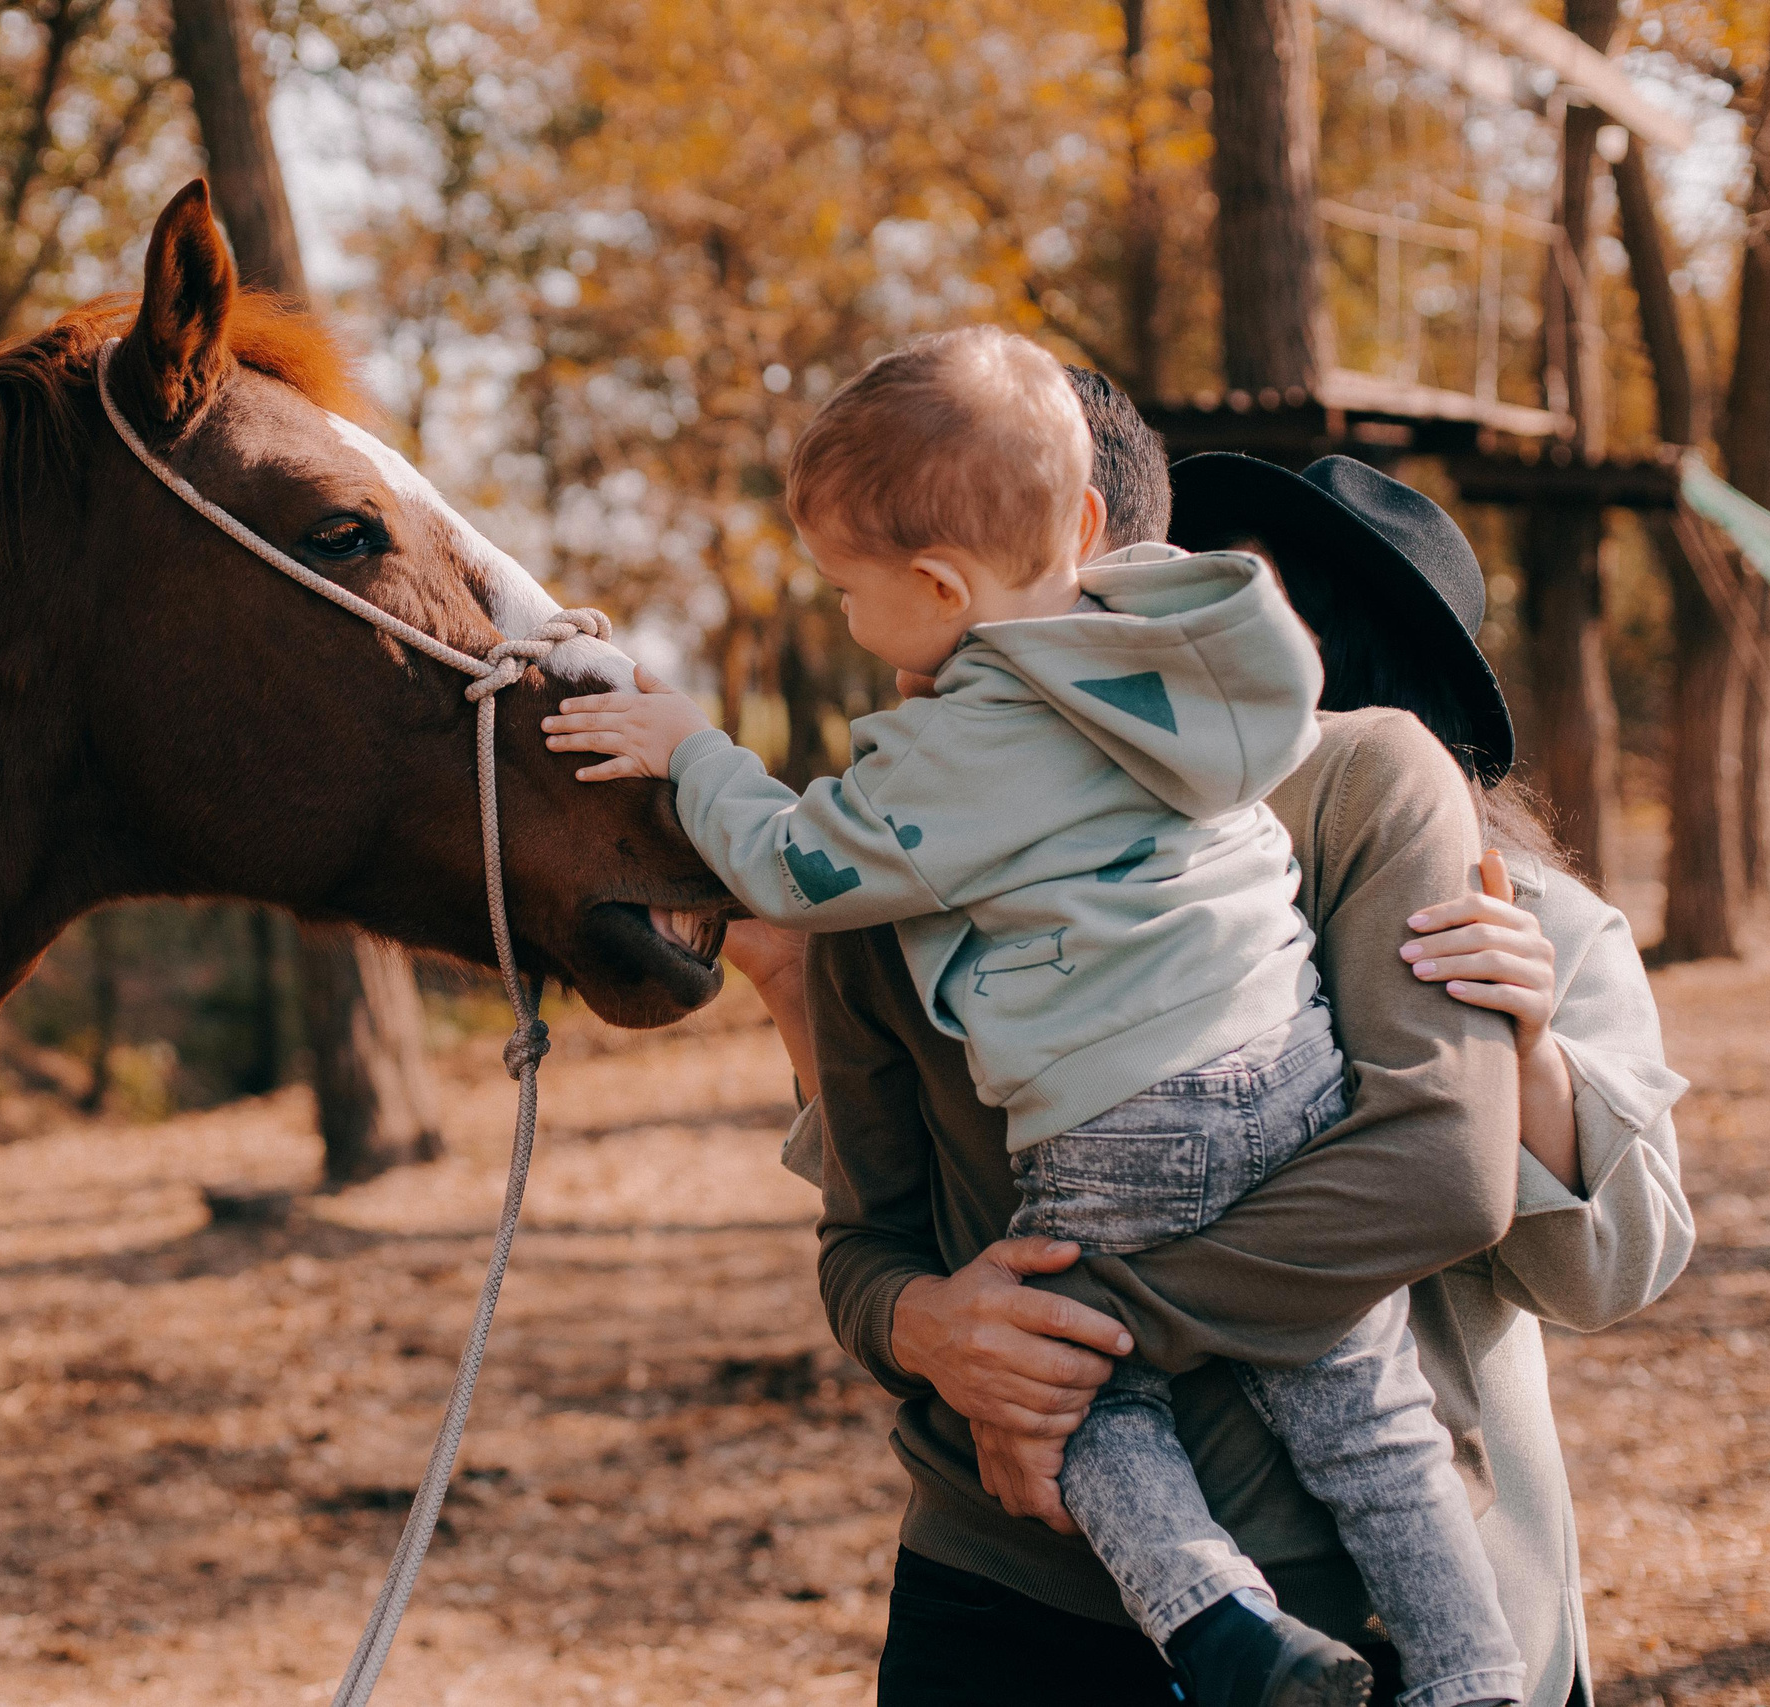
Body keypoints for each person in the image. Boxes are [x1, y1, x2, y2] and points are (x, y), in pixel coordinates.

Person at [543, 331, 1521, 1707]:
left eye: (847, 591)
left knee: (1117, 1412)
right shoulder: (1197, 727)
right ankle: (1473, 1677)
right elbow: (867, 1244)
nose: (849, 623)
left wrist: (1051, 1352)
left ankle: (1224, 1626)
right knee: (1374, 1419)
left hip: (1293, 1563)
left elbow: (1444, 1176)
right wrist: (933, 1329)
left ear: (941, 587)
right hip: (992, 1586)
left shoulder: (1349, 784)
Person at [722, 415, 1689, 1707]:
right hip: (1048, 1580)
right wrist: (937, 1328)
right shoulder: (1028, 871)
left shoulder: (1528, 920)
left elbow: (1604, 1269)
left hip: (1406, 1558)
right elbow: (900, 1201)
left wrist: (1533, 1062)